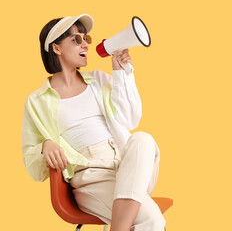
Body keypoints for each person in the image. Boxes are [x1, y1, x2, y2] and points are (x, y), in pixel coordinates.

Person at [21, 14, 166, 231]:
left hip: (129, 168)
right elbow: (32, 163)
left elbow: (130, 119)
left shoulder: (98, 80)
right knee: (152, 220)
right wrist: (45, 146)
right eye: (76, 40)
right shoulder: (37, 101)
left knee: (143, 138)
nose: (85, 45)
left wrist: (121, 73)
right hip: (92, 177)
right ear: (56, 48)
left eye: (85, 38)